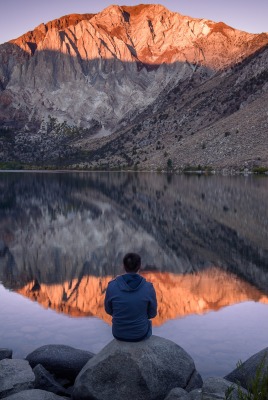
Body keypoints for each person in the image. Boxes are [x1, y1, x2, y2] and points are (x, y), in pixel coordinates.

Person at [104, 252, 157, 342]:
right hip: (140, 334)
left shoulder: (112, 286)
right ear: (139, 266)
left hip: (118, 334)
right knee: (148, 323)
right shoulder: (148, 287)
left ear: (123, 266)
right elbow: (152, 314)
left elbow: (108, 310)